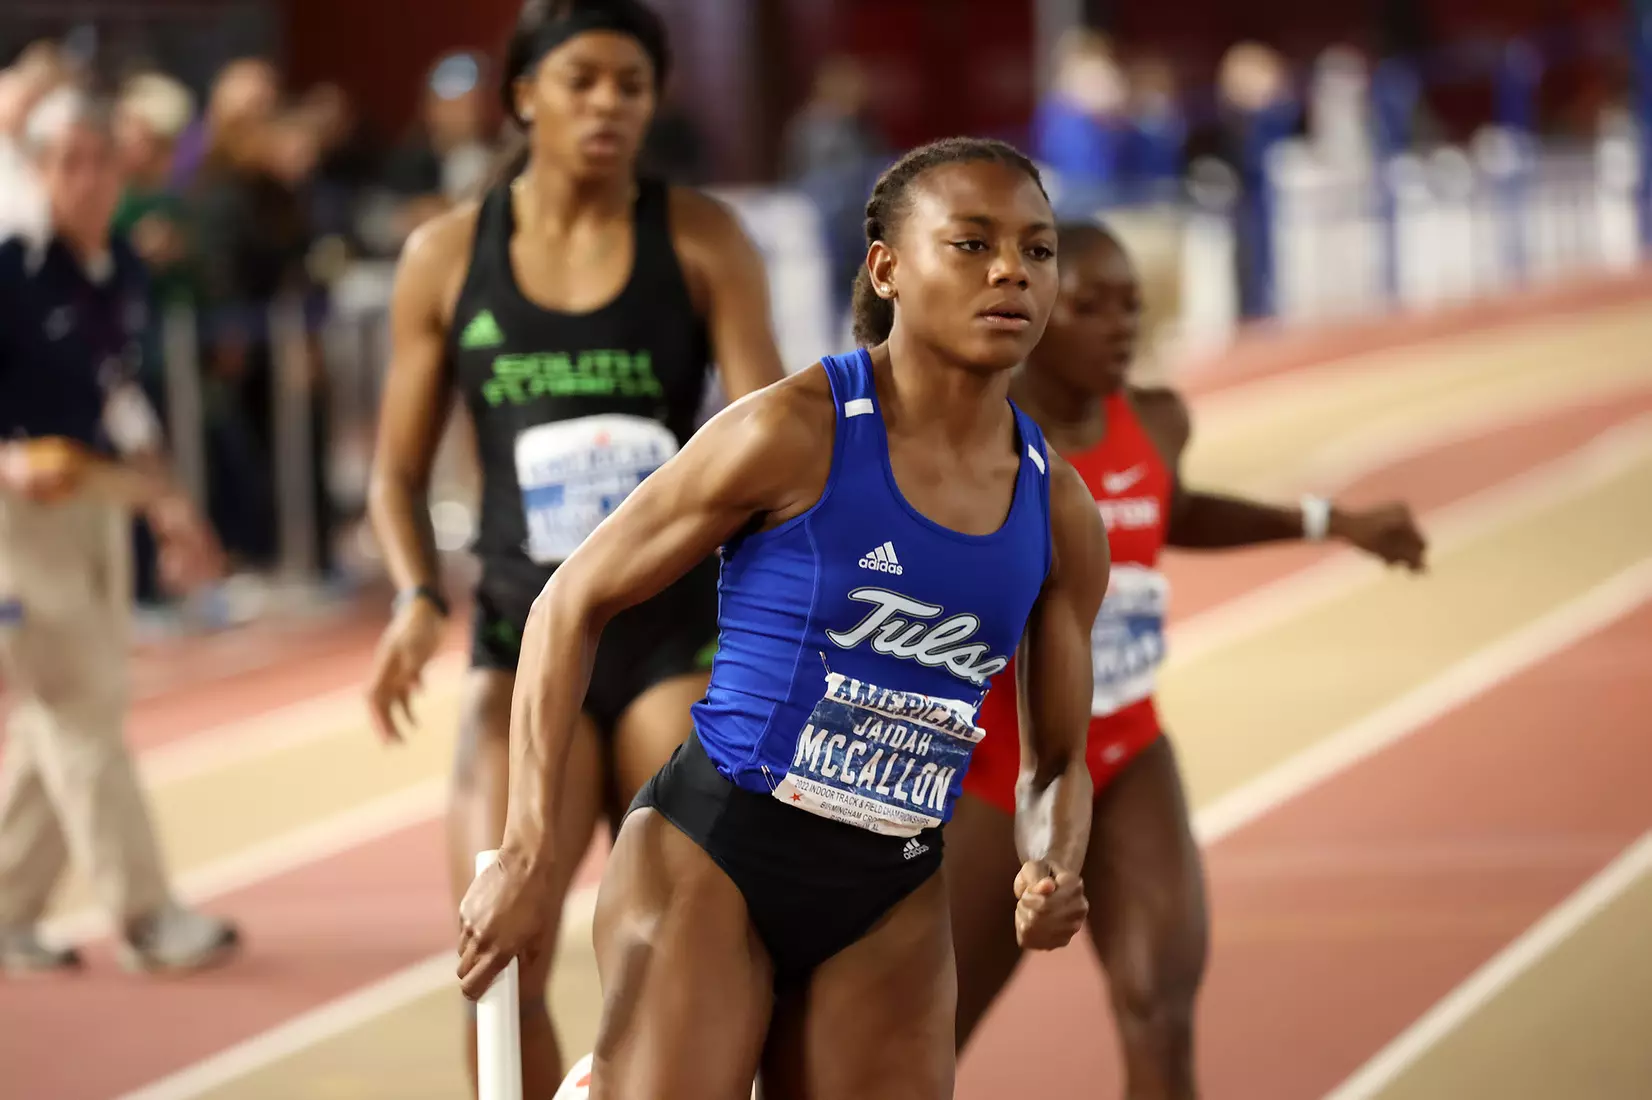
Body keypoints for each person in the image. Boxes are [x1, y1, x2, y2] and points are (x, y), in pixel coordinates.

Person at [457, 135, 1110, 1099]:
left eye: (1038, 249)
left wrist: (1051, 858)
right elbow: (569, 601)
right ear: (887, 268)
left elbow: (1055, 761)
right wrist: (526, 851)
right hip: (716, 857)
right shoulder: (793, 430)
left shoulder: (1058, 510)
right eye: (971, 244)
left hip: (893, 885)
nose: (1012, 269)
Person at [364, 0, 786, 1093]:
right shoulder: (446, 257)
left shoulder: (700, 238)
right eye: (581, 81)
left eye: (630, 87)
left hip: (669, 634)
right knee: (501, 953)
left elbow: (768, 439)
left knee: (688, 936)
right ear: (523, 97)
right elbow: (396, 475)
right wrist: (415, 595)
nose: (607, 105)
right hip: (515, 640)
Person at [946, 221, 1428, 1099]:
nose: (1120, 326)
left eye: (1132, 305)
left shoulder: (1159, 421)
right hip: (996, 773)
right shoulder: (980, 438)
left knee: (1159, 1004)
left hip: (1127, 752)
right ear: (1039, 311)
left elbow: (1176, 509)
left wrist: (1331, 523)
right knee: (925, 1040)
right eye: (1091, 306)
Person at [0, 87, 236, 974]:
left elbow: (121, 395)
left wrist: (172, 506)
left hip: (100, 501)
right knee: (82, 706)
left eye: (100, 161)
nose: (85, 181)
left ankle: (8, 908)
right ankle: (145, 915)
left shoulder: (122, 271)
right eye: (66, 162)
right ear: (39, 170)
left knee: (56, 718)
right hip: (21, 519)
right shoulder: (9, 271)